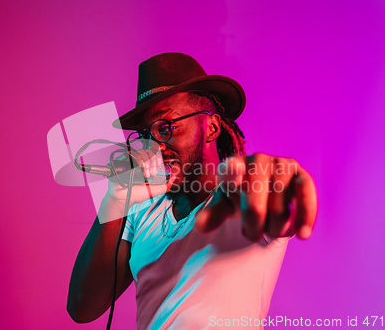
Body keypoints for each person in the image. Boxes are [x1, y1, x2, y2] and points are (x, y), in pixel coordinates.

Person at [67, 52, 317, 329]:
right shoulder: (141, 209)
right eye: (146, 135)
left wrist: (284, 183)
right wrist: (114, 199)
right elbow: (83, 306)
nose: (155, 145)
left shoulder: (241, 196)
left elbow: (282, 207)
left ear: (210, 127)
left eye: (166, 127)